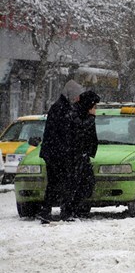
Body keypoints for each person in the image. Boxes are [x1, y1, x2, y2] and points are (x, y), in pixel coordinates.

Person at [38, 79, 85, 223]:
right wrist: (67, 151)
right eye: (77, 96)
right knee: (63, 183)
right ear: (71, 94)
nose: (78, 99)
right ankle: (61, 212)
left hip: (55, 153)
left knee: (55, 183)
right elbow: (63, 134)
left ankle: (48, 211)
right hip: (57, 154)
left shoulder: (62, 107)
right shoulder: (61, 109)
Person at [68, 90, 100, 218]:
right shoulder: (75, 113)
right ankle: (72, 210)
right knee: (75, 183)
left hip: (83, 154)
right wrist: (91, 117)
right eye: (94, 105)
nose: (95, 109)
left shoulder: (84, 113)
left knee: (87, 182)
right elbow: (79, 130)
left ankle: (78, 208)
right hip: (75, 154)